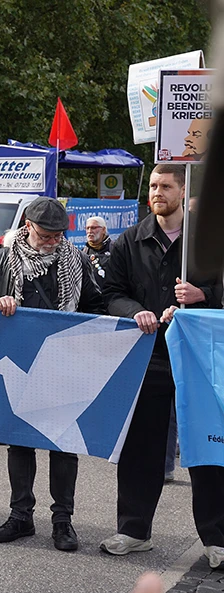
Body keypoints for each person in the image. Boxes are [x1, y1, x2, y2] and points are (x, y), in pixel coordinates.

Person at [0, 196, 104, 552]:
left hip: (63, 362)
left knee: (63, 444)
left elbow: (95, 305)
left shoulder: (75, 260)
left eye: (59, 236)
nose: (53, 241)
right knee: (21, 441)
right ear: (27, 226)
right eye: (46, 235)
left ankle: (63, 521)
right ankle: (21, 516)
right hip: (19, 361)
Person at [101, 164, 216, 558]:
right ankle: (133, 531)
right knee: (141, 449)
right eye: (152, 185)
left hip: (199, 359)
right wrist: (135, 310)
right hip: (148, 358)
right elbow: (111, 293)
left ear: (183, 190)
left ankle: (216, 539)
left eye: (165, 185)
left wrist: (204, 295)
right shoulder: (130, 241)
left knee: (206, 449)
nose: (157, 192)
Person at [82, 215, 112, 288]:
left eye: (93, 228)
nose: (89, 231)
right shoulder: (84, 252)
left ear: (103, 230)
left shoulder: (114, 249)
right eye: (87, 228)